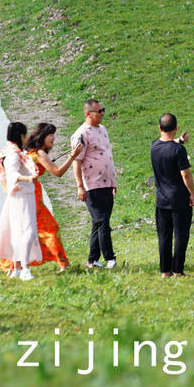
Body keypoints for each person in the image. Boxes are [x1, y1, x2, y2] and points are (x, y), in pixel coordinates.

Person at [0, 122, 83, 274]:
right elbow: (58, 172)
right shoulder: (39, 154)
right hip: (32, 195)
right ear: (42, 136)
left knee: (28, 229)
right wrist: (72, 157)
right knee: (49, 228)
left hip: (29, 193)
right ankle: (60, 263)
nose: (53, 139)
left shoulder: (28, 151)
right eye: (51, 135)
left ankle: (17, 265)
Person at [71, 99, 119, 269]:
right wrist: (80, 186)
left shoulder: (103, 130)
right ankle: (110, 258)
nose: (102, 114)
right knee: (102, 221)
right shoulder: (81, 134)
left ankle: (92, 260)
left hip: (106, 182)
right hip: (92, 184)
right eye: (99, 111)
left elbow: (107, 155)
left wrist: (113, 181)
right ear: (88, 114)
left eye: (102, 110)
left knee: (99, 223)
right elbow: (76, 162)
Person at [0, 121, 42, 280]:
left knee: (17, 231)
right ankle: (25, 268)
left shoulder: (9, 151)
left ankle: (17, 267)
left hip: (20, 195)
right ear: (21, 136)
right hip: (21, 195)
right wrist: (28, 178)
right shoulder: (13, 154)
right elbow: (12, 175)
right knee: (26, 231)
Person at [149, 113, 194, 277]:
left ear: (159, 128)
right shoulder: (179, 151)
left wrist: (180, 141)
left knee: (164, 236)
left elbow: (165, 145)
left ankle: (165, 271)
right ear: (176, 128)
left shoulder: (154, 146)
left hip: (161, 200)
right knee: (181, 234)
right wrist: (192, 194)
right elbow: (186, 175)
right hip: (179, 199)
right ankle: (178, 270)